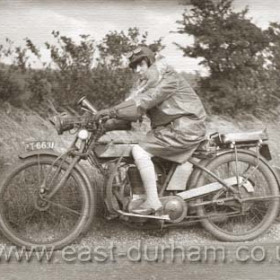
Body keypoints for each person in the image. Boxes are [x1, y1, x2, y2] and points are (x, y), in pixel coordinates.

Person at [96, 45, 207, 215]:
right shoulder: (149, 82)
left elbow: (145, 101)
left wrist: (109, 112)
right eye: (134, 67)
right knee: (134, 151)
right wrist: (102, 123)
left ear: (150, 62)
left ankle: (153, 202)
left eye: (141, 65)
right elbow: (131, 113)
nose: (137, 70)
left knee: (139, 151)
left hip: (186, 128)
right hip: (173, 128)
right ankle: (141, 197)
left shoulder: (167, 78)